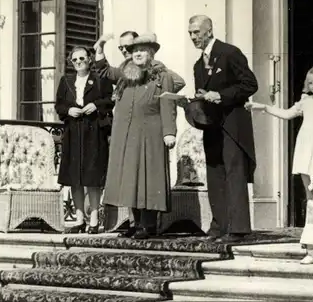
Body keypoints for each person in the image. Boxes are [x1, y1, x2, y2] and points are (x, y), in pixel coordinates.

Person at [94, 31, 186, 238]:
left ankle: (149, 225)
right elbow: (105, 71)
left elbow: (169, 103)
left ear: (152, 52)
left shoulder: (162, 76)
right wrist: (99, 47)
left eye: (142, 50)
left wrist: (169, 132)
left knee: (148, 178)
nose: (136, 53)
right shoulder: (127, 72)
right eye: (134, 50)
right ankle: (135, 224)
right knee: (130, 178)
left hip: (150, 132)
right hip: (125, 133)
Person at [184, 15, 258, 243]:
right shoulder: (198, 65)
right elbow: (204, 95)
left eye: (197, 32)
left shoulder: (229, 53)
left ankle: (238, 229)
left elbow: (250, 84)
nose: (193, 37)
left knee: (234, 173)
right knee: (214, 173)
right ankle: (219, 227)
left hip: (232, 123)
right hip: (212, 125)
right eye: (190, 33)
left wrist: (221, 96)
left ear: (209, 30)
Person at [246, 63, 313, 203]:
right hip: (306, 145)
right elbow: (287, 114)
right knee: (309, 189)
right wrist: (263, 106)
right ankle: (311, 222)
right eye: (310, 83)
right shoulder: (306, 101)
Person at [54, 46, 114, 234]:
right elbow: (59, 105)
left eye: (82, 59)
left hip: (93, 131)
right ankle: (79, 220)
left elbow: (110, 100)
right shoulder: (66, 81)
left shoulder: (100, 79)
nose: (79, 62)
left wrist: (95, 105)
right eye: (75, 60)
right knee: (75, 178)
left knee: (92, 176)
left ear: (89, 59)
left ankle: (94, 220)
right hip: (73, 132)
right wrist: (68, 111)